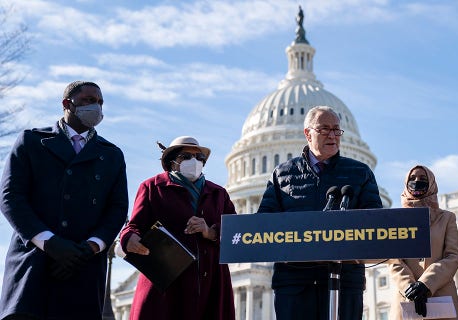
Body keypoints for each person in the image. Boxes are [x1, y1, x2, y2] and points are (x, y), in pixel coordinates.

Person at [0, 81, 129, 319]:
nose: (97, 107)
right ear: (67, 104)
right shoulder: (31, 141)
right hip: (33, 263)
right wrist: (49, 243)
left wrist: (90, 247)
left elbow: (118, 208)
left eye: (100, 102)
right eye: (89, 101)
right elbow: (11, 196)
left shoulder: (111, 155)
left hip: (84, 269)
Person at [257, 106, 383, 320]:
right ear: (308, 133)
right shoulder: (282, 174)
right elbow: (263, 224)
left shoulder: (360, 173)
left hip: (344, 283)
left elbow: (375, 224)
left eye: (336, 130)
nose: (333, 135)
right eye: (325, 129)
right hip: (294, 285)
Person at [120, 136, 236, 320]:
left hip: (209, 282)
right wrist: (130, 238)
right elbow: (133, 227)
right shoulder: (152, 187)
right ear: (172, 161)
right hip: (166, 282)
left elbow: (235, 234)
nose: (194, 161)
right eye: (186, 156)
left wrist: (210, 231)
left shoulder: (218, 193)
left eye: (199, 157)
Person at [389, 165, 458, 320]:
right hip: (406, 298)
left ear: (431, 183)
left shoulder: (447, 218)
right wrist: (410, 287)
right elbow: (393, 260)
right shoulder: (395, 219)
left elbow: (453, 255)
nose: (417, 182)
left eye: (423, 179)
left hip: (441, 296)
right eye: (412, 178)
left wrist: (425, 284)